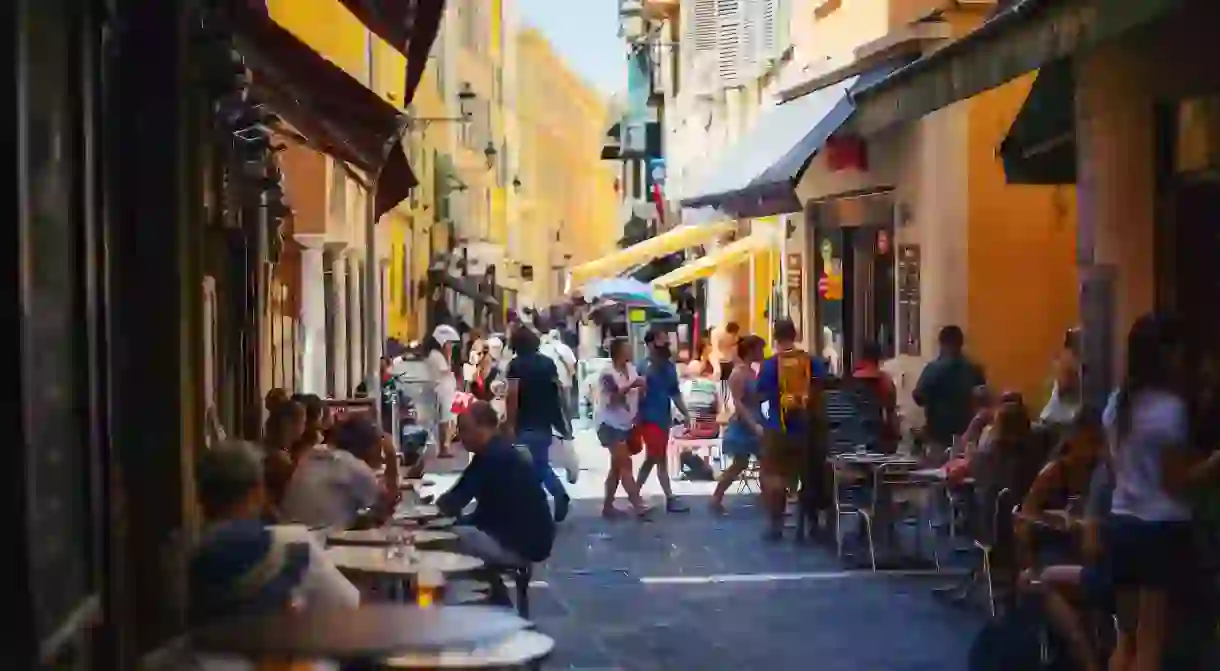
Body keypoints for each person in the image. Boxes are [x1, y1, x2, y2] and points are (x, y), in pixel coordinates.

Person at [179, 441, 358, 671]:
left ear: (201, 496)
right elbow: (347, 605)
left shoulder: (184, 551)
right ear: (257, 493)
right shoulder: (290, 543)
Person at [1105, 314, 1220, 671]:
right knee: (1151, 641)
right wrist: (1215, 462)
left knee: (1125, 640)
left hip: (1120, 522)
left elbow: (1113, 467)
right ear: (1166, 354)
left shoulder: (1116, 404)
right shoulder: (1170, 410)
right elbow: (1176, 482)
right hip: (1159, 531)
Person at [437, 402, 556, 604]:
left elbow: (453, 501)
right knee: (459, 532)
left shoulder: (492, 457)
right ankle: (495, 595)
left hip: (520, 545)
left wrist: (429, 518)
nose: (460, 436)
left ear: (484, 428)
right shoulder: (496, 452)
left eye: (465, 429)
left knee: (446, 540)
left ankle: (488, 598)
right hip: (528, 540)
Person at [755, 318, 829, 541]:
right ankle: (811, 525)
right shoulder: (812, 362)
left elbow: (761, 396)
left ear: (775, 337)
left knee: (775, 477)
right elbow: (820, 388)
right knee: (808, 476)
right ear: (795, 335)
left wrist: (767, 420)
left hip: (778, 428)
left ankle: (776, 526)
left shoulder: (769, 365)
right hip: (807, 428)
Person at [504, 326, 571, 522]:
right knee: (538, 463)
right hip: (545, 420)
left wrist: (509, 423)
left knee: (532, 465)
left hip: (524, 421)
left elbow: (513, 396)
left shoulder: (515, 366)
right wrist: (563, 420)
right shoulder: (548, 363)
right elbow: (558, 392)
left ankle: (549, 498)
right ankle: (545, 500)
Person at [281, 416, 395, 530]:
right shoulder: (353, 465)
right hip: (322, 541)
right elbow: (387, 507)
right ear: (370, 446)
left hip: (293, 534)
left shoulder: (314, 454)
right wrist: (391, 457)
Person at [634, 326, 692, 513]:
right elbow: (636, 394)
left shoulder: (668, 367)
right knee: (657, 458)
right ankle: (668, 497)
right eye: (661, 341)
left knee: (653, 458)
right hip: (649, 418)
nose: (665, 345)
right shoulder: (643, 367)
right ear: (650, 344)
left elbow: (674, 392)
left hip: (663, 418)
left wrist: (686, 413)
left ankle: (635, 494)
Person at [710, 334, 767, 514]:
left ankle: (767, 499)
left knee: (765, 461)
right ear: (751, 351)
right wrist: (753, 425)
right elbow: (738, 403)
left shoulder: (751, 371)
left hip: (755, 418)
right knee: (740, 463)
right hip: (745, 423)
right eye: (760, 349)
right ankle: (717, 496)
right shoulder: (738, 373)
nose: (762, 353)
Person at [597, 337, 650, 519]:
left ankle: (608, 506)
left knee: (617, 467)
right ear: (619, 352)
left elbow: (636, 394)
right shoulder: (607, 374)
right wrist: (631, 386)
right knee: (625, 464)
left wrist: (641, 389)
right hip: (610, 424)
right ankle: (638, 504)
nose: (631, 350)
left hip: (626, 424)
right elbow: (612, 400)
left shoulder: (631, 369)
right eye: (627, 348)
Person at [914, 325, 987, 451]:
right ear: (961, 343)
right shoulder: (975, 369)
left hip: (938, 435)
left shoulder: (933, 369)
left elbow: (919, 397)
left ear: (941, 343)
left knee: (938, 468)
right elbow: (982, 399)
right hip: (966, 435)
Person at [851, 341, 900, 452]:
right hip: (876, 433)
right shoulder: (885, 380)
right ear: (878, 358)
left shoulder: (850, 380)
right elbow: (890, 410)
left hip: (851, 433)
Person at [262, 398, 306, 519]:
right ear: (289, 424)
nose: (304, 427)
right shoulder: (280, 460)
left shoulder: (269, 450)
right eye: (303, 422)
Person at [426, 324, 461, 458]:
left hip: (446, 390)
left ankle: (445, 445)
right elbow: (445, 370)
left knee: (448, 419)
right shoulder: (435, 356)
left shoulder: (437, 355)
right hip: (441, 390)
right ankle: (444, 447)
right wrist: (448, 356)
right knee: (444, 419)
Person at [1040, 328, 1083, 429]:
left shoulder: (1071, 361)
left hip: (1061, 418)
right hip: (1058, 419)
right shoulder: (1068, 361)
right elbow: (1066, 390)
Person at [541, 327, 578, 419]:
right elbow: (572, 362)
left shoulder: (544, 348)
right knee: (566, 401)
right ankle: (567, 420)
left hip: (550, 380)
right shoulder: (565, 348)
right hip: (565, 379)